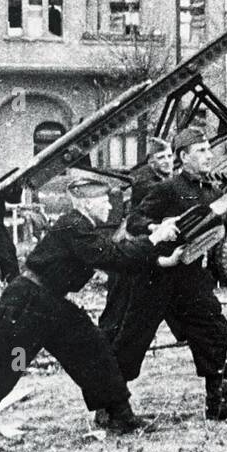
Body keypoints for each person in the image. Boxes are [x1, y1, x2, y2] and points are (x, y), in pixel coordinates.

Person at [0, 170, 184, 446]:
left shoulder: (81, 227)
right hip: (27, 307)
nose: (110, 207)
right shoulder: (74, 225)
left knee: (93, 346)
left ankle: (120, 414)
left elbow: (111, 253)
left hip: (47, 304)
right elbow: (111, 256)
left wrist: (159, 262)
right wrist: (155, 240)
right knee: (4, 369)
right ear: (87, 204)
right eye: (104, 202)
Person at [114, 127, 227, 421]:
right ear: (183, 157)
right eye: (201, 151)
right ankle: (112, 409)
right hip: (155, 277)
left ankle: (219, 405)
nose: (209, 155)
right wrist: (157, 227)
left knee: (216, 332)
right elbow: (135, 221)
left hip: (191, 279)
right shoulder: (167, 189)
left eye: (208, 149)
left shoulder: (212, 192)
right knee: (132, 340)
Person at [98, 138, 174, 347]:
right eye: (161, 157)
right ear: (151, 161)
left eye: (169, 156)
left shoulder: (162, 178)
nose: (167, 161)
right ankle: (103, 350)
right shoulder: (147, 183)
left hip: (139, 250)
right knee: (119, 305)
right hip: (130, 252)